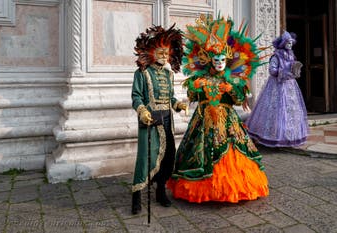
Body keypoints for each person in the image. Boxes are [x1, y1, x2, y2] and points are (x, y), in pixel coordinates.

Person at [167, 14, 269, 203]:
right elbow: (193, 98)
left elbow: (239, 100)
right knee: (199, 152)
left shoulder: (233, 79)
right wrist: (195, 87)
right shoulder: (200, 78)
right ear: (208, 60)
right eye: (216, 59)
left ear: (228, 59)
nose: (219, 63)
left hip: (228, 121)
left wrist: (231, 90)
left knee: (234, 150)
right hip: (204, 120)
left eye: (222, 59)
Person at [131, 24, 187, 214]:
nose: (164, 56)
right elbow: (136, 96)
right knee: (146, 158)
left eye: (167, 53)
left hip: (167, 121)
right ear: (152, 51)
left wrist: (177, 104)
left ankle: (161, 191)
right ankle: (137, 195)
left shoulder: (169, 74)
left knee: (168, 157)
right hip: (150, 122)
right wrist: (143, 111)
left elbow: (170, 97)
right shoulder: (142, 73)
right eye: (161, 52)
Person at [245, 31, 308, 147]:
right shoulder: (276, 56)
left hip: (290, 86)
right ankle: (275, 135)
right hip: (277, 86)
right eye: (288, 43)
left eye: (291, 43)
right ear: (283, 43)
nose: (290, 45)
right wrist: (284, 72)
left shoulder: (291, 55)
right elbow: (272, 70)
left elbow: (293, 66)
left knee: (290, 110)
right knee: (277, 109)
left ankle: (290, 136)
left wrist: (295, 71)